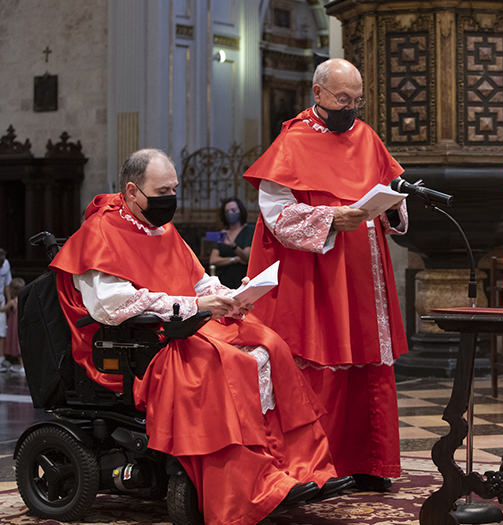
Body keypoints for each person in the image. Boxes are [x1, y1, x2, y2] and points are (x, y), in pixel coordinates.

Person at [49, 149, 340, 525]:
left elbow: (200, 279)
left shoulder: (163, 230)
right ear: (133, 191)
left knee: (269, 346)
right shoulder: (99, 233)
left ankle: (299, 467)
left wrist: (230, 295)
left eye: (174, 188)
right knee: (227, 365)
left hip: (182, 326)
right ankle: (247, 486)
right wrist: (195, 304)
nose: (171, 198)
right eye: (163, 190)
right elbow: (113, 306)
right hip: (136, 344)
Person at [244, 58, 409, 491]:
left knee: (369, 362)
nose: (350, 109)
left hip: (365, 273)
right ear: (317, 94)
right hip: (319, 276)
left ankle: (372, 461)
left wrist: (393, 206)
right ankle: (324, 465)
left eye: (356, 100)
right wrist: (331, 219)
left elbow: (392, 188)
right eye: (342, 99)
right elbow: (277, 215)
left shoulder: (366, 136)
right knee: (324, 364)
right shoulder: (293, 142)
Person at [209, 197, 254, 288]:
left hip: (242, 281)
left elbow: (246, 258)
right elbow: (213, 260)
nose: (230, 213)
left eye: (233, 210)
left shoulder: (249, 230)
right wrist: (235, 259)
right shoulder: (222, 233)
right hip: (223, 281)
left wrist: (233, 246)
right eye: (227, 211)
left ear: (240, 211)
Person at [0, 277, 24, 374]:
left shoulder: (12, 302)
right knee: (20, 345)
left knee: (17, 345)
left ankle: (22, 366)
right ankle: (22, 365)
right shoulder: (21, 300)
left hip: (13, 327)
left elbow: (2, 310)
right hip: (19, 325)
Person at [0, 248, 13, 372]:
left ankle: (1, 358)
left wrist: (9, 300)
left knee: (2, 330)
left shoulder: (6, 264)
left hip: (1, 300)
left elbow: (7, 284)